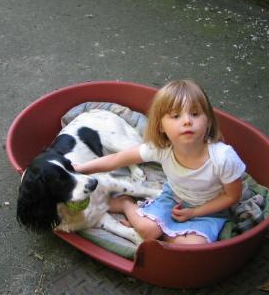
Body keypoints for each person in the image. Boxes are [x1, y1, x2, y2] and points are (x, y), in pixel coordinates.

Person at [74, 80, 246, 245]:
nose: (187, 121)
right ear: (161, 127)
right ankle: (126, 204)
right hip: (173, 198)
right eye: (176, 116)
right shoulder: (161, 149)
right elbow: (116, 159)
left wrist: (194, 212)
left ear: (208, 121)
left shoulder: (223, 157)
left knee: (191, 246)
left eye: (195, 114)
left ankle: (160, 229)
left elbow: (232, 196)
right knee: (148, 231)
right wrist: (82, 169)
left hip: (210, 210)